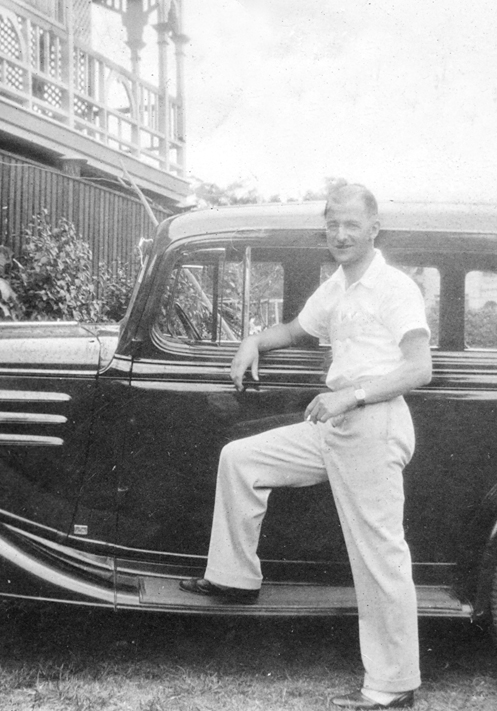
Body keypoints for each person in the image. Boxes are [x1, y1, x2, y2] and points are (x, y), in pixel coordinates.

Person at [180, 183, 432, 709]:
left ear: (374, 229)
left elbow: (418, 368)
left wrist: (351, 396)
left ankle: (393, 685)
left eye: (351, 225)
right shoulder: (337, 286)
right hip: (335, 427)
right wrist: (252, 340)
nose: (340, 234)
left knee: (379, 556)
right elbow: (295, 329)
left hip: (373, 423)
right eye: (332, 223)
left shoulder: (394, 287)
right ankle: (234, 578)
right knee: (240, 458)